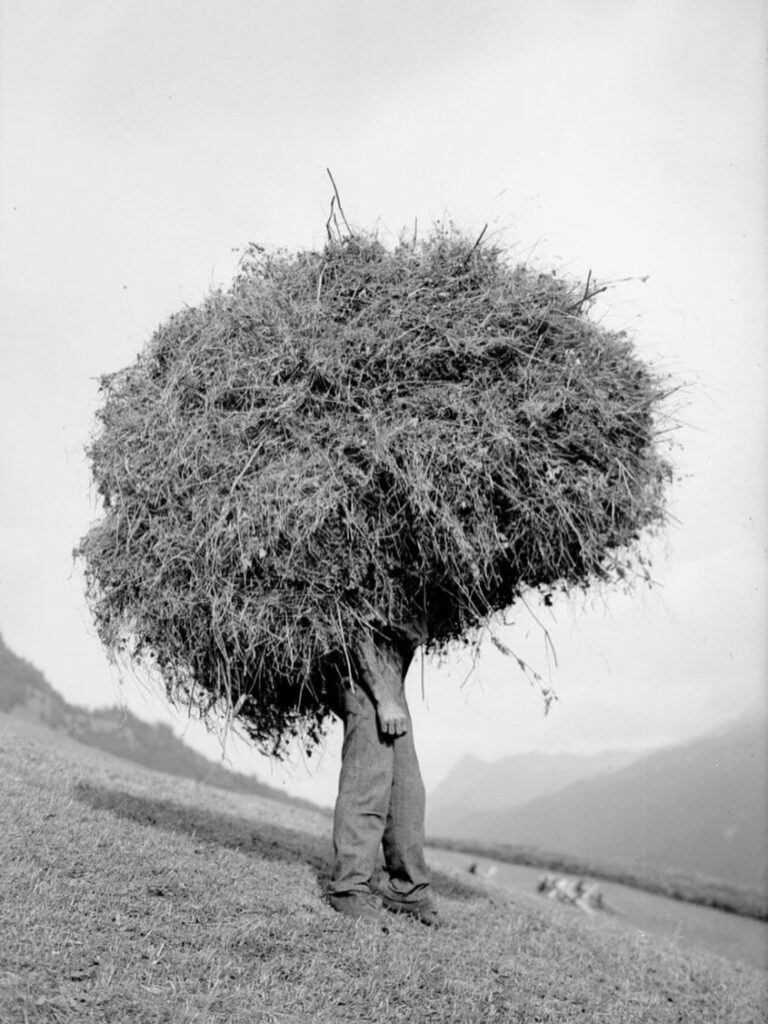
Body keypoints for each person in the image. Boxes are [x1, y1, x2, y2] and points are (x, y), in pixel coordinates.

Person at [326, 631, 439, 928]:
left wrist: (392, 690)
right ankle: (348, 888)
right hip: (356, 670)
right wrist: (382, 695)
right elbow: (350, 625)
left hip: (390, 670)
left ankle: (408, 890)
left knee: (407, 788)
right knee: (368, 777)